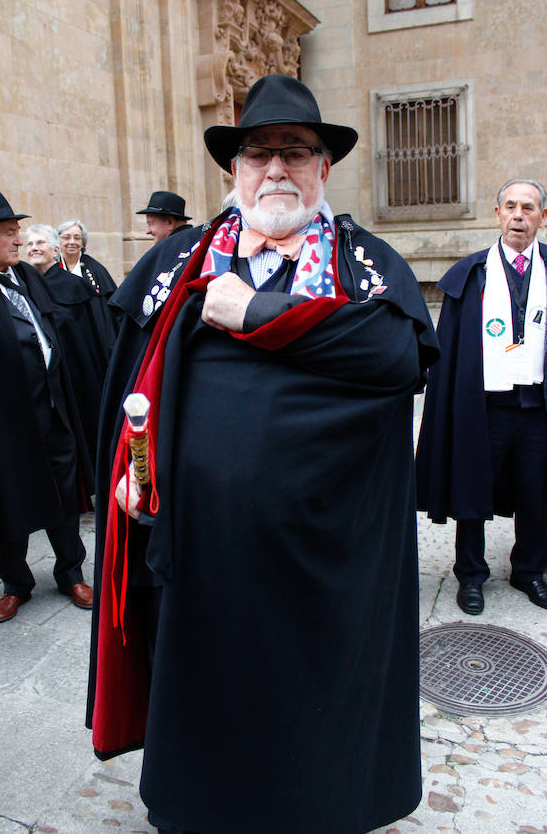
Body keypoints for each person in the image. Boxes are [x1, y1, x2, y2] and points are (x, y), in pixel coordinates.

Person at [88, 74, 439, 834]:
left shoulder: (361, 261)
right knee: (208, 696)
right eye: (258, 153)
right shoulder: (180, 259)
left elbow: (395, 355)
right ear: (235, 169)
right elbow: (130, 384)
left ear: (324, 168)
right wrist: (126, 472)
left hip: (324, 556)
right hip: (202, 547)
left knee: (307, 710)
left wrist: (256, 311)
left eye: (295, 151)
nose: (276, 168)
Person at [0, 191, 94, 622]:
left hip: (52, 408)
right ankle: (15, 583)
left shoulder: (27, 276)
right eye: (10, 232)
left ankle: (71, 572)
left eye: (18, 231)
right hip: (4, 420)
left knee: (64, 491)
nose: (18, 240)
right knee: (10, 495)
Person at [417, 178, 547, 615]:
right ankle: (471, 574)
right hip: (485, 405)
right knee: (472, 486)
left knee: (537, 491)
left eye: (528, 208)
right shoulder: (472, 275)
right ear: (497, 214)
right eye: (510, 206)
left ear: (542, 217)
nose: (518, 216)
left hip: (538, 405)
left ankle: (529, 569)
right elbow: (450, 352)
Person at [26, 224, 109, 465]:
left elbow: (90, 335)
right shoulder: (25, 287)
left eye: (40, 243)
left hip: (79, 374)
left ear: (55, 250)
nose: (34, 248)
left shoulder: (74, 285)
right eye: (30, 244)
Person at [56, 217, 119, 353]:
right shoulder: (52, 269)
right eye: (66, 237)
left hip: (94, 332)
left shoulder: (96, 269)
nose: (72, 242)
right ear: (58, 241)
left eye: (77, 238)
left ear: (83, 243)